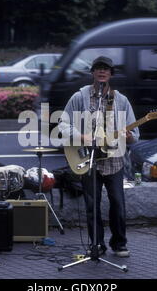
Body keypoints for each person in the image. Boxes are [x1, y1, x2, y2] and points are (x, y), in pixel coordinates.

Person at [59, 56, 139, 258]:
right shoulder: (79, 97)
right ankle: (97, 244)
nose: (102, 72)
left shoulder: (120, 100)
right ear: (93, 72)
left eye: (106, 69)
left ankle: (119, 244)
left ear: (111, 74)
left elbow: (135, 136)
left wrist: (128, 137)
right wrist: (82, 136)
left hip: (114, 161)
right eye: (98, 68)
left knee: (118, 203)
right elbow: (63, 124)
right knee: (92, 206)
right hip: (89, 160)